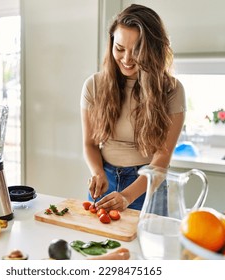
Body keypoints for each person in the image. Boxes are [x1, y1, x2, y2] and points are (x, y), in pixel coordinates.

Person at [80, 4, 186, 212]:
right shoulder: (93, 86)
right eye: (119, 49)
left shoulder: (171, 90)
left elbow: (162, 159)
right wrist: (98, 172)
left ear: (153, 50)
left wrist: (127, 196)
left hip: (147, 187)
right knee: (97, 244)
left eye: (137, 50)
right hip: (106, 181)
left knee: (144, 244)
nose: (127, 59)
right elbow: (90, 144)